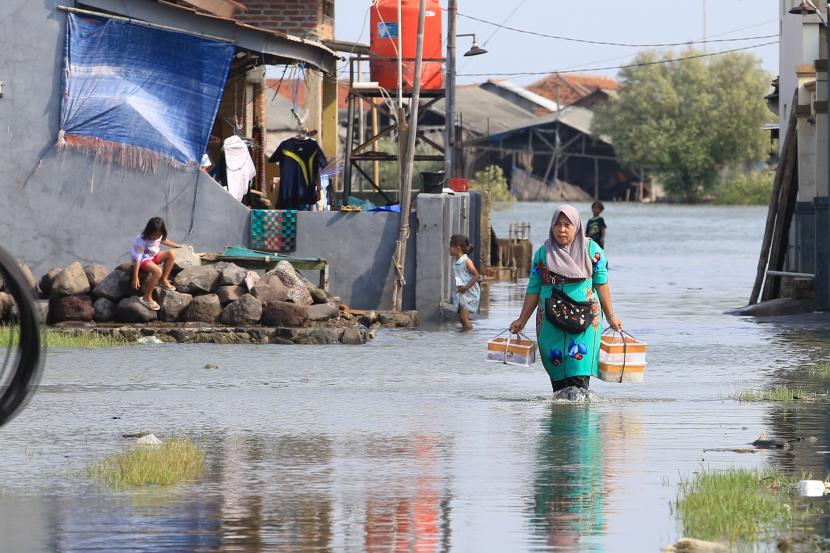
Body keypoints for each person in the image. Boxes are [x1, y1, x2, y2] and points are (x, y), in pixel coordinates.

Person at [509, 205, 623, 392]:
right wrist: (522, 319)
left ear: (577, 227)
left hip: (585, 319)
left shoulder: (592, 250)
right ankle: (561, 418)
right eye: (557, 224)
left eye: (567, 225)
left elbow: (602, 284)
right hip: (550, 320)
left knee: (579, 370)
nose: (561, 229)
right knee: (558, 376)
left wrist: (611, 317)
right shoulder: (543, 253)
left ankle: (580, 419)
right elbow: (533, 288)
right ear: (551, 226)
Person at [130, 217, 182, 311]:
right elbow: (138, 258)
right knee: (158, 271)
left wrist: (176, 245)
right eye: (152, 235)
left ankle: (164, 280)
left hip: (153, 256)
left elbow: (163, 240)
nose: (155, 237)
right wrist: (135, 276)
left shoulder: (160, 235)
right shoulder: (141, 240)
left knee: (172, 254)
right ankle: (147, 297)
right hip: (143, 259)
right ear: (148, 231)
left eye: (157, 235)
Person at [449, 234, 481, 331]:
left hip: (470, 294)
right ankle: (465, 338)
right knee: (461, 319)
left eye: (451, 246)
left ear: (458, 248)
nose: (449, 248)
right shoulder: (456, 262)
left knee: (463, 318)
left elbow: (477, 275)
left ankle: (469, 336)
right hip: (462, 294)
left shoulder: (466, 261)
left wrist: (466, 287)